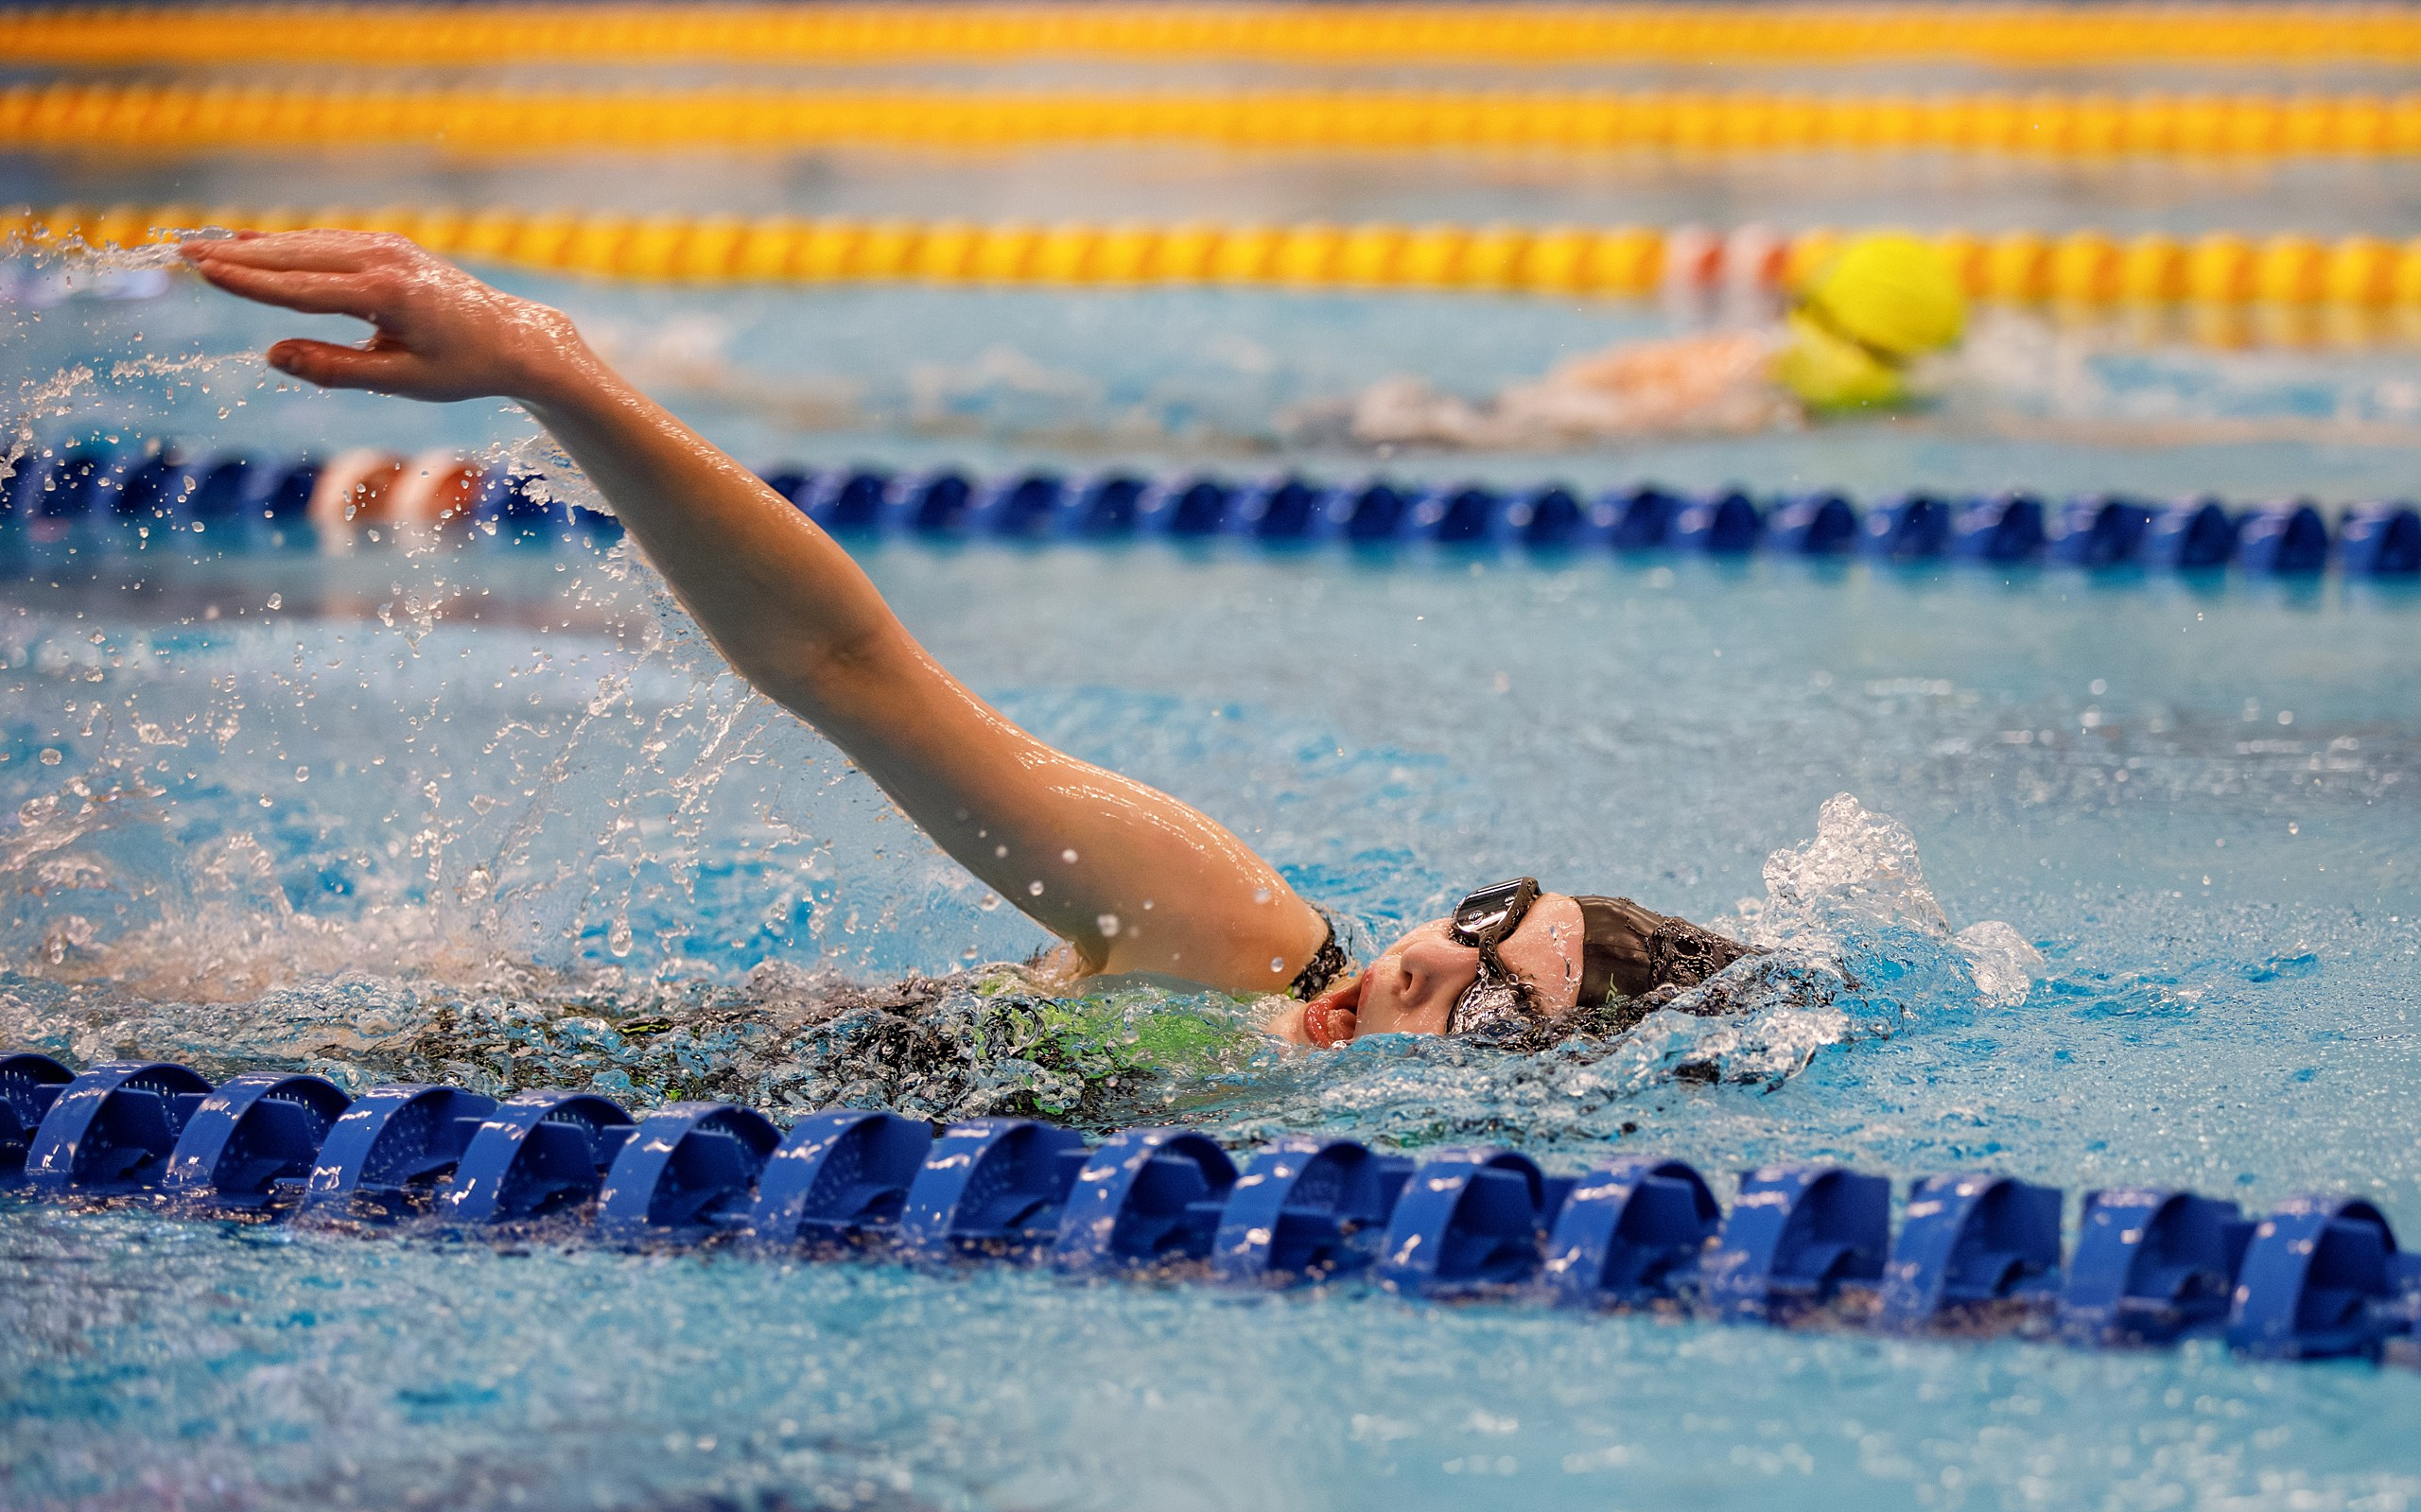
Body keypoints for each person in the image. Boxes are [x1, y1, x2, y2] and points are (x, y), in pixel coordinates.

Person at [180, 229, 1753, 1051]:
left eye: (1489, 1006)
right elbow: (848, 672)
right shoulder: (1221, 932)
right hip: (551, 1062)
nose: (1424, 960)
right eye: (1487, 915)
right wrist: (557, 376)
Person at [1345, 232, 1968, 449]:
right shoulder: (1875, 393)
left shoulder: (1761, 352)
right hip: (1558, 423)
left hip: (1544, 416)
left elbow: (1601, 371)